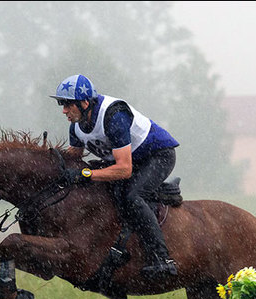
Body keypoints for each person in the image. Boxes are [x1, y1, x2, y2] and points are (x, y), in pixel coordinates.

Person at [50, 74, 180, 278]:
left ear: (85, 103)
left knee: (133, 197)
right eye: (61, 104)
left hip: (157, 156)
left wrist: (85, 174)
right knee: (103, 191)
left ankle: (162, 259)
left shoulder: (113, 116)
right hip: (132, 161)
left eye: (67, 105)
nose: (64, 110)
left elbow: (124, 169)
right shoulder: (76, 126)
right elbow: (73, 158)